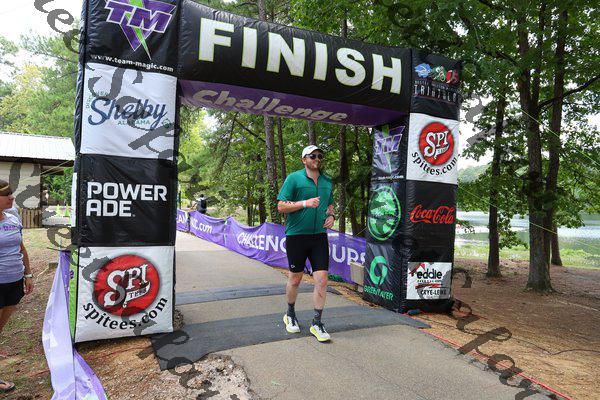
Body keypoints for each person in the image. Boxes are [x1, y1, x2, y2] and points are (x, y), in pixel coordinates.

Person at [277, 145, 335, 342]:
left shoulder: (327, 180)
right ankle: (290, 314)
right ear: (304, 159)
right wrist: (304, 203)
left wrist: (331, 216)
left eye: (319, 156)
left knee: (322, 279)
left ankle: (317, 322)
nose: (317, 158)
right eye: (312, 156)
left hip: (319, 237)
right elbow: (281, 206)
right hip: (297, 236)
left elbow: (330, 203)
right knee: (295, 279)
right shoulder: (294, 178)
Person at [0, 179, 34, 393]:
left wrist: (28, 274)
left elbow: (21, 247)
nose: (12, 197)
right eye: (6, 194)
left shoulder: (13, 217)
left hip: (14, 282)